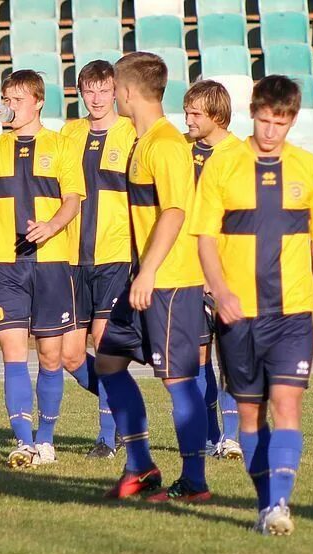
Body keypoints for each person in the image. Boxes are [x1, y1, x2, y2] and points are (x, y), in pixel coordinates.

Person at [191, 75, 313, 535]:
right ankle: (266, 505)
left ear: (292, 120)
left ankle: (279, 506)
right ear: (252, 112)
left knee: (287, 404)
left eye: (281, 122)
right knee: (251, 413)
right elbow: (205, 238)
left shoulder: (310, 169)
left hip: (292, 314)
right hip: (238, 316)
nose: (271, 130)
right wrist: (220, 290)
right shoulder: (224, 165)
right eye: (263, 119)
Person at [95, 52, 210, 503]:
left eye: (114, 88)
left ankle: (196, 482)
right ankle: (141, 466)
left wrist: (149, 271)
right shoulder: (144, 141)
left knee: (177, 379)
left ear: (125, 92)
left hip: (168, 281)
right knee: (108, 361)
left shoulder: (165, 144)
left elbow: (175, 211)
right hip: (141, 278)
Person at [0, 70, 84, 468]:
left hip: (50, 264)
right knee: (13, 355)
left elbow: (72, 201)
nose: (10, 106)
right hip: (5, 264)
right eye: (6, 99)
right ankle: (24, 442)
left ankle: (46, 439)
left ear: (37, 102)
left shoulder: (61, 146)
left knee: (50, 356)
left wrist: (51, 227)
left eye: (17, 99)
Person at [60, 60, 136, 458]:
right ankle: (125, 405)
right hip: (72, 259)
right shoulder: (69, 133)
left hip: (114, 257)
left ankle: (107, 438)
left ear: (115, 91)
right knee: (69, 355)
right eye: (89, 90)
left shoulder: (132, 133)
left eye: (104, 90)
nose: (96, 98)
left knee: (104, 347)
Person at [183, 80, 244, 461]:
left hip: (231, 273)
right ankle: (208, 438)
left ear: (217, 116)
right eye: (186, 111)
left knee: (233, 359)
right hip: (188, 273)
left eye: (194, 114)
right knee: (198, 359)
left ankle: (232, 437)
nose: (187, 119)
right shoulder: (182, 153)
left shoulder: (241, 155)